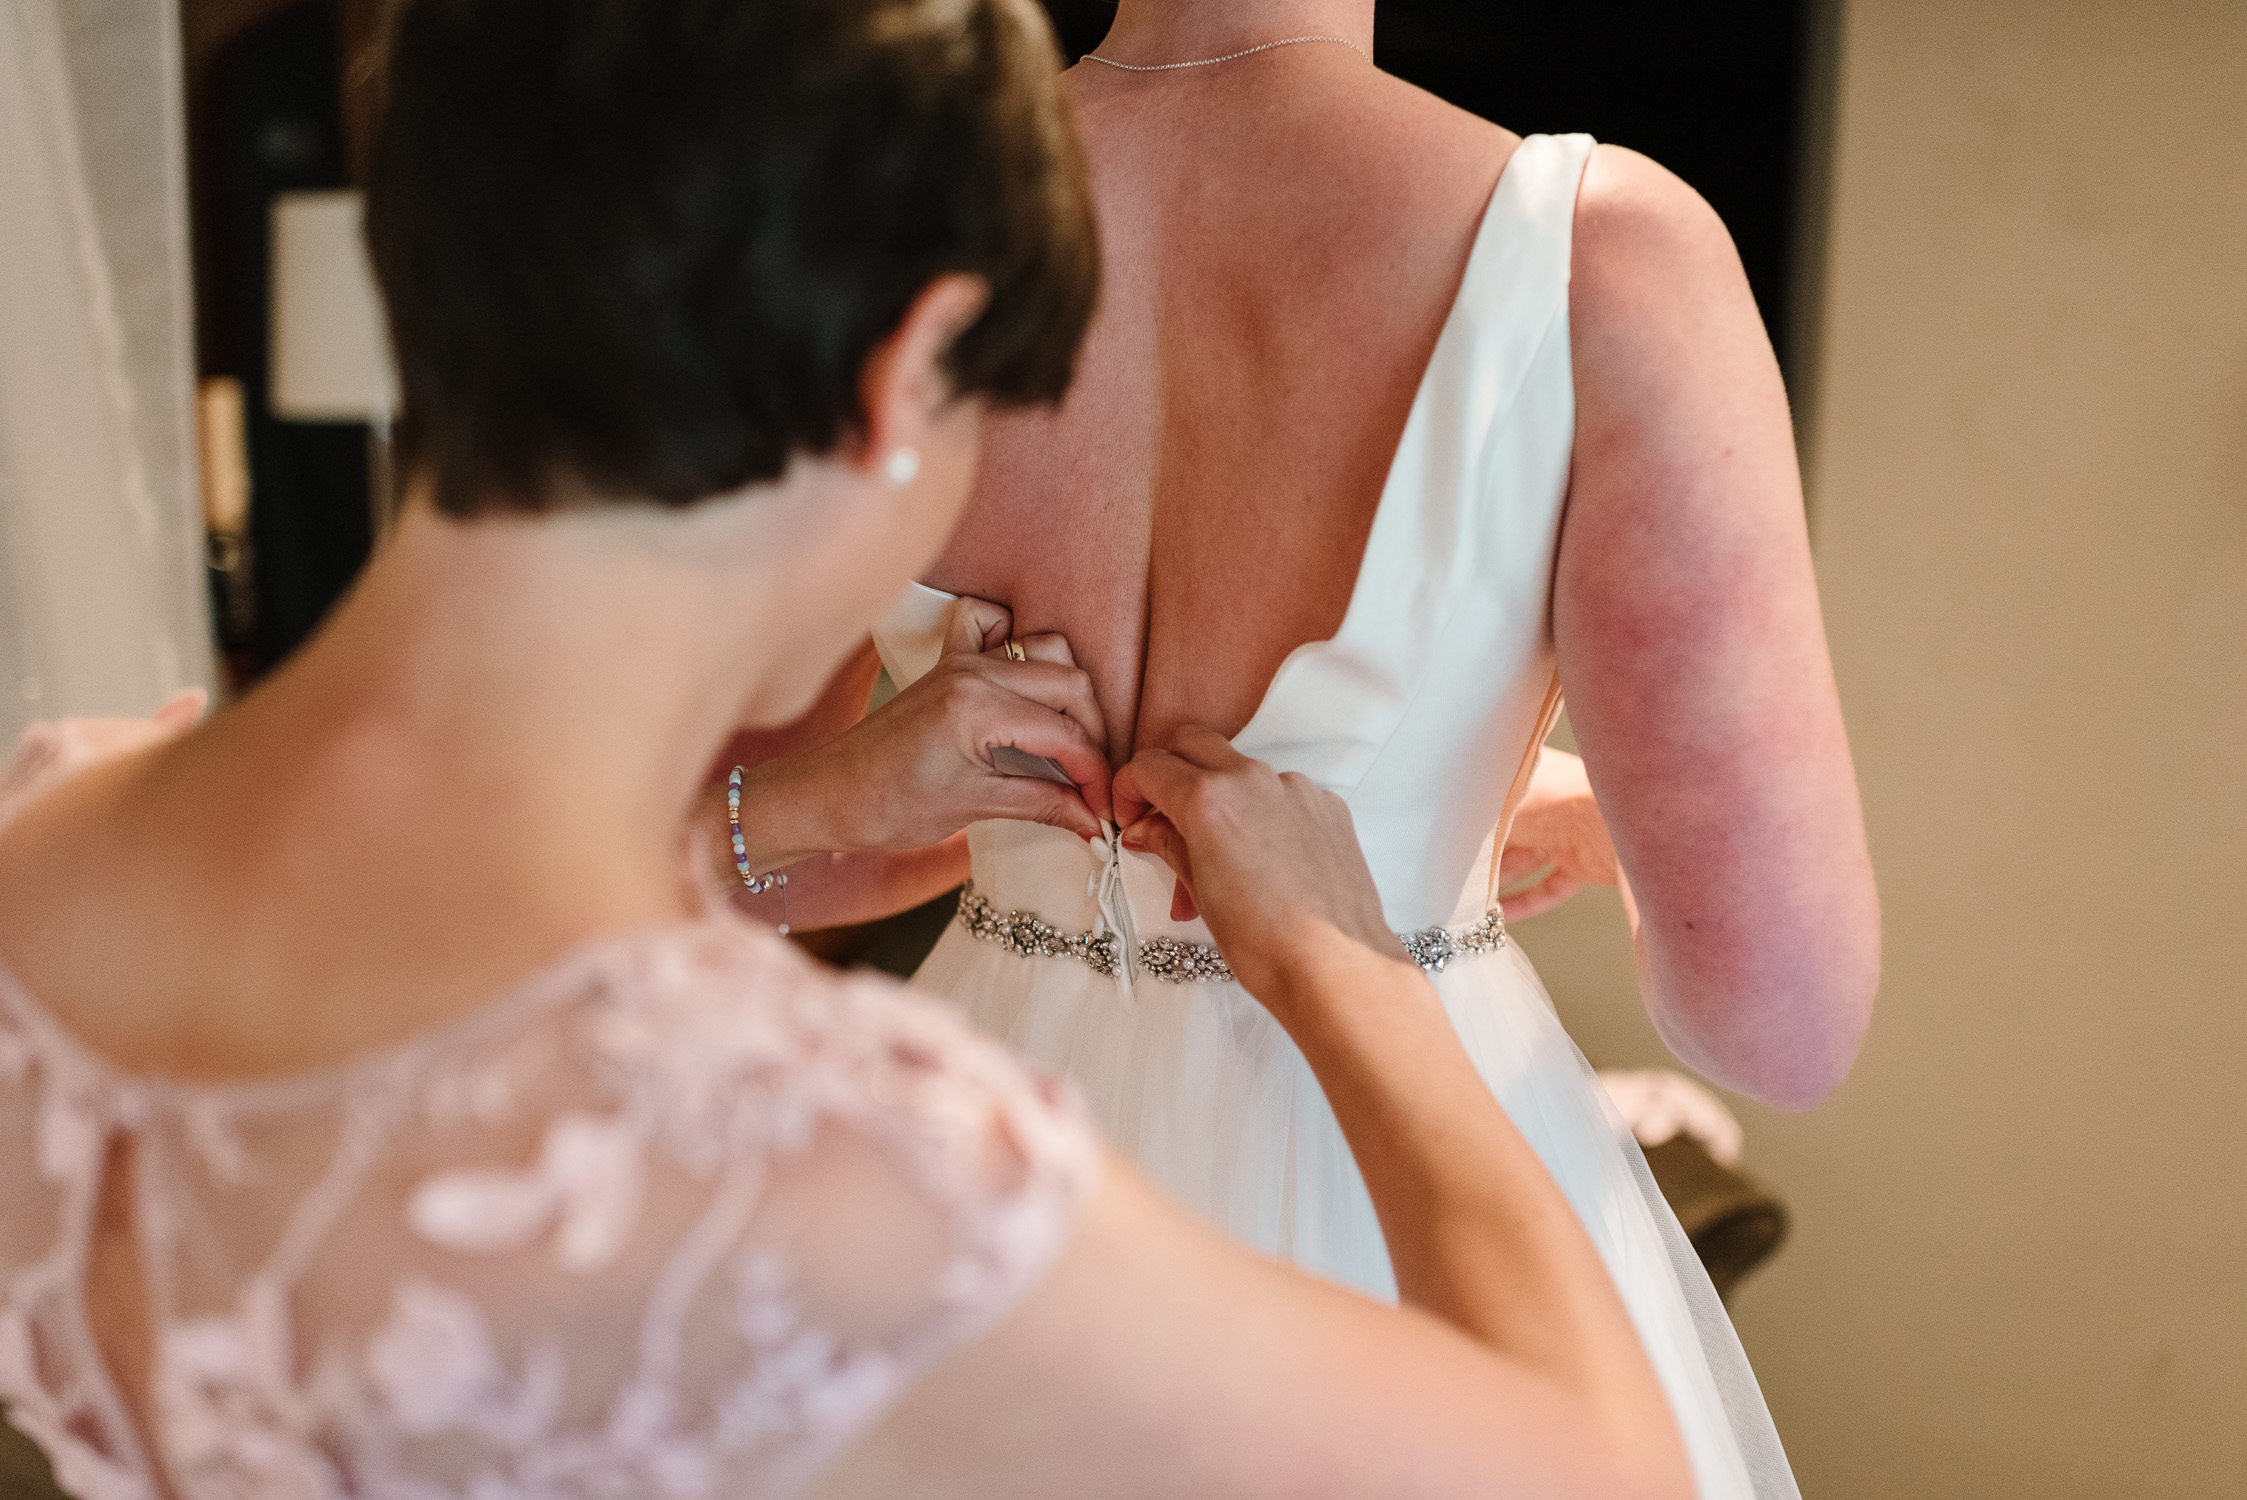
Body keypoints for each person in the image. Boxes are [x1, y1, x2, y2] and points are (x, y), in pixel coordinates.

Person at [0, 0, 1694, 1495]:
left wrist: (813, 805)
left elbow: (396, 1007)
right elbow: (1598, 1469)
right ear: (903, 373)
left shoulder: (45, 845)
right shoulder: (832, 1175)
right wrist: (1348, 966)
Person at [713, 2, 1883, 1495]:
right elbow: (1778, 1029)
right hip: (1400, 1184)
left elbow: (739, 862)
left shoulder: (854, 242)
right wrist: (1511, 838)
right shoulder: (1604, 258)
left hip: (969, 1196)